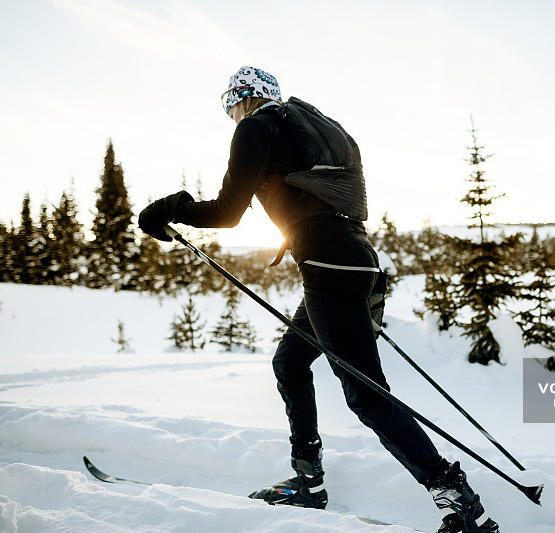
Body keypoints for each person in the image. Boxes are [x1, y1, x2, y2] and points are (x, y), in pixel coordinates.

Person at [138, 66, 500, 533]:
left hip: (331, 269)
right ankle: (309, 482)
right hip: (356, 261)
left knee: (368, 398)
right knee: (289, 362)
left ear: (246, 98)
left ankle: (458, 502)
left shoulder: (256, 126)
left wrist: (168, 210)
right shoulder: (308, 129)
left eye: (230, 105)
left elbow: (228, 213)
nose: (231, 116)